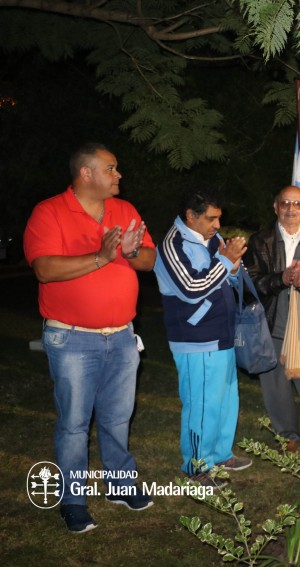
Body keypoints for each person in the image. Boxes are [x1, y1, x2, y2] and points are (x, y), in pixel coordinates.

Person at [24, 142, 156, 532]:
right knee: (74, 424)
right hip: (73, 339)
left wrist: (129, 253)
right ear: (86, 173)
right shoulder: (49, 212)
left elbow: (150, 259)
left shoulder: (124, 210)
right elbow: (44, 269)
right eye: (110, 168)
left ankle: (120, 483)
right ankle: (73, 499)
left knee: (117, 418)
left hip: (122, 337)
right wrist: (102, 256)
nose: (119, 175)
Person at [154, 189, 252, 483]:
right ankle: (197, 467)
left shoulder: (212, 239)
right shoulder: (172, 245)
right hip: (196, 339)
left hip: (221, 333)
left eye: (219, 218)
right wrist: (225, 262)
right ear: (190, 216)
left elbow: (225, 278)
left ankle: (220, 454)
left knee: (224, 401)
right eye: (211, 218)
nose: (217, 225)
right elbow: (191, 289)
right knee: (201, 406)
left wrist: (233, 266)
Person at [244, 186, 300, 451]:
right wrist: (281, 279)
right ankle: (287, 434)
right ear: (276, 207)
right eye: (285, 203)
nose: (291, 209)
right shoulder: (260, 241)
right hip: (271, 319)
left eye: (297, 204)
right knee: (275, 383)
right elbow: (251, 282)